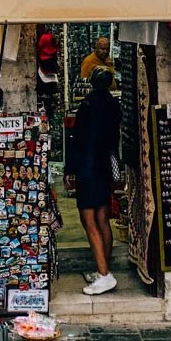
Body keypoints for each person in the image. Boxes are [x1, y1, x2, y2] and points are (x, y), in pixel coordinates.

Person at [64, 63, 122, 296]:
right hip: (104, 166)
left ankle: (105, 274)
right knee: (102, 217)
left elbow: (77, 140)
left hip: (88, 166)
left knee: (88, 220)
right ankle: (103, 268)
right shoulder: (113, 105)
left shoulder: (87, 106)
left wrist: (70, 170)